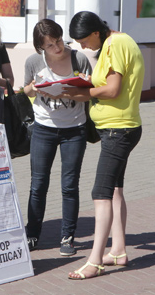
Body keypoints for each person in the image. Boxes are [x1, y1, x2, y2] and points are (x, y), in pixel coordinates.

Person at [64, 11, 145, 279]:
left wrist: (82, 93)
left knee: (101, 193)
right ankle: (118, 251)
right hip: (121, 127)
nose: (82, 46)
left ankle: (95, 260)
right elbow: (109, 84)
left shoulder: (113, 45)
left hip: (118, 130)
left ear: (97, 33)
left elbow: (113, 89)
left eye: (84, 41)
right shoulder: (116, 43)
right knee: (115, 191)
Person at [23, 19, 92, 256]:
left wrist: (73, 90)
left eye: (59, 40)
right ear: (40, 47)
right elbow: (25, 90)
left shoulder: (78, 59)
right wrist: (35, 88)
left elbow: (89, 93)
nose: (57, 47)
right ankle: (32, 235)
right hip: (43, 128)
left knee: (69, 185)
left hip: (75, 129)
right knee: (38, 184)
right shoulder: (34, 62)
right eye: (50, 45)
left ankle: (68, 237)